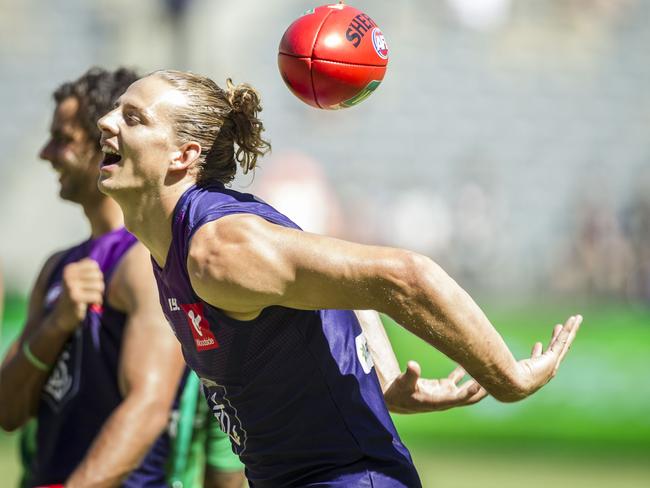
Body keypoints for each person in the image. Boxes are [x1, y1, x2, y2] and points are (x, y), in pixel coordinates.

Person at [97, 69, 581, 487]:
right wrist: (385, 377)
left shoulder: (218, 249)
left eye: (133, 118)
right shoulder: (179, 245)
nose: (106, 122)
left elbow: (404, 276)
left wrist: (509, 380)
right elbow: (347, 284)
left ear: (184, 155)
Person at [0, 67, 187, 487]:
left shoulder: (145, 261)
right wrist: (56, 325)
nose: (45, 154)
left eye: (63, 139)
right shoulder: (57, 266)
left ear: (107, 147)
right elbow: (7, 412)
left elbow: (148, 407)